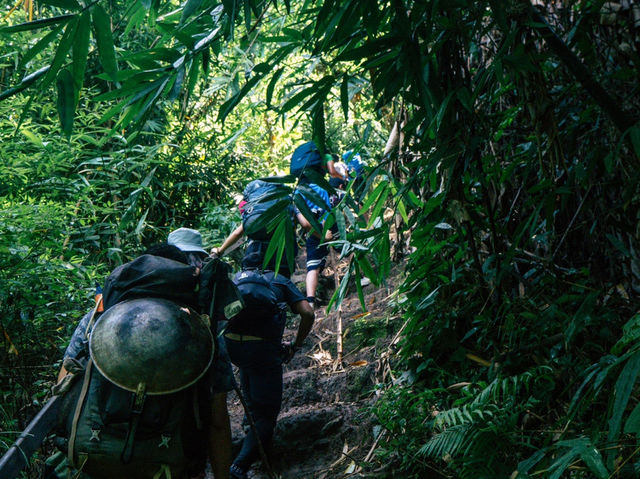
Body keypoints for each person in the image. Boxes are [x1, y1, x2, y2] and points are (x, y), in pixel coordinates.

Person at [55, 229, 235, 479]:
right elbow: (217, 421)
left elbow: (64, 384)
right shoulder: (201, 330)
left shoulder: (101, 317)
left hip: (93, 457)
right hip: (167, 465)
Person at [224, 257, 314, 479]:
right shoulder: (279, 280)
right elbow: (308, 313)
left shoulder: (235, 280)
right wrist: (297, 344)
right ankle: (239, 466)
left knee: (250, 376)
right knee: (266, 415)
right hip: (263, 351)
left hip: (233, 346)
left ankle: (253, 435)